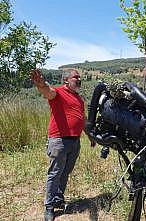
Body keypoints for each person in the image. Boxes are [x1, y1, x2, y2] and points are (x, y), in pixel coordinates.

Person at [30, 69, 95, 221]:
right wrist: (41, 84)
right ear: (66, 80)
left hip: (74, 141)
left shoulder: (79, 99)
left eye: (80, 77)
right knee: (55, 173)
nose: (79, 79)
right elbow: (47, 91)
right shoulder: (58, 93)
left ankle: (58, 198)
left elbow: (83, 120)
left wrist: (90, 137)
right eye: (75, 77)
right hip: (59, 140)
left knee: (65, 172)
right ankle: (49, 207)